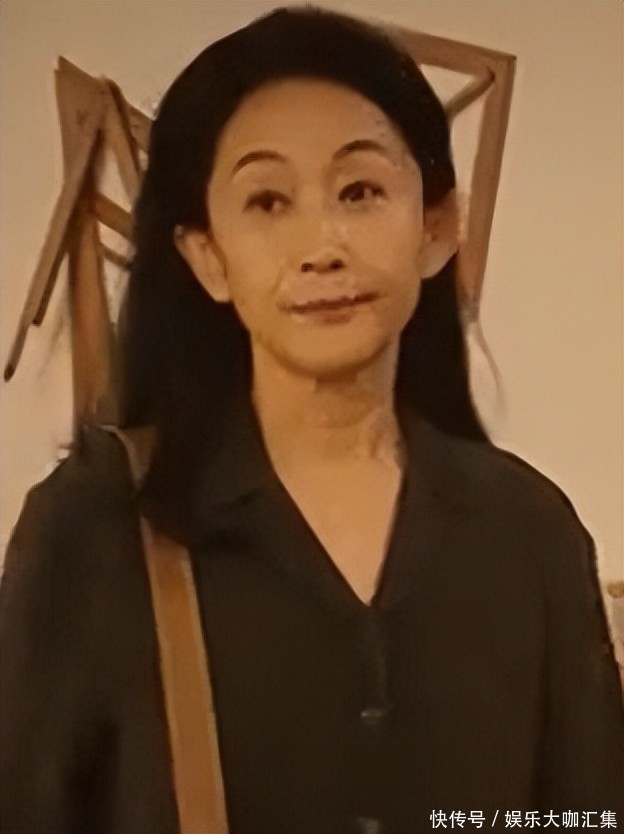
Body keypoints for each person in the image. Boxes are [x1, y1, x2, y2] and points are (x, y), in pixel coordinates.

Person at [1, 7, 622, 834]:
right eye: (267, 201)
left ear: (437, 230)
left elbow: (582, 817)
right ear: (208, 257)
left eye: (360, 192)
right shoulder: (95, 524)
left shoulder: (529, 534)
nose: (321, 245)